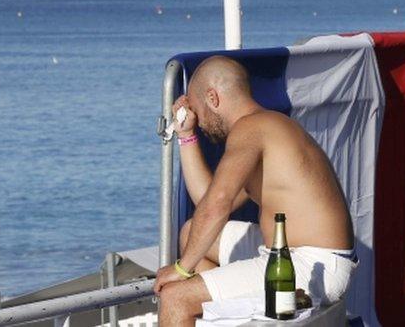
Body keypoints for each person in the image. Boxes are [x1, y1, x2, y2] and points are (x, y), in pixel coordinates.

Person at [153, 56, 357, 327]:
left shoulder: (251, 128)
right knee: (192, 233)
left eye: (197, 111)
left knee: (175, 299)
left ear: (213, 98)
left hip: (312, 264)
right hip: (288, 253)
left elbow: (217, 204)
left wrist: (181, 270)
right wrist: (186, 136)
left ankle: (217, 303)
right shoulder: (267, 127)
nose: (199, 122)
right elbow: (206, 202)